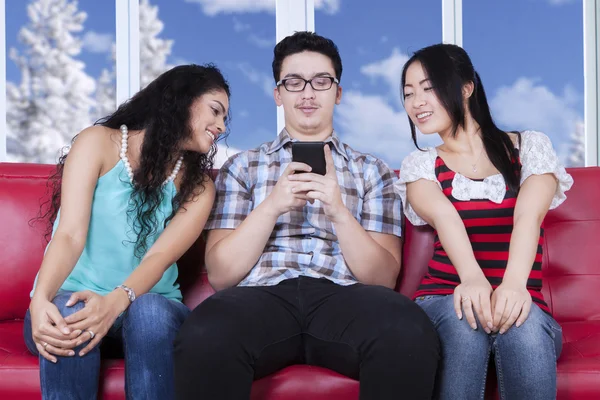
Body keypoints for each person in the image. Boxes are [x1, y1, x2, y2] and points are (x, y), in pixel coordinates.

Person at [173, 31, 439, 400]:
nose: (308, 93)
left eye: (321, 82)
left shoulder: (371, 170)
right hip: (260, 296)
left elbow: (381, 279)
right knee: (204, 335)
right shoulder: (242, 167)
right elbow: (221, 276)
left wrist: (338, 211)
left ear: (338, 93)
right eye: (294, 83)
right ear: (278, 94)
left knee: (409, 332)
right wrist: (273, 205)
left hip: (346, 297)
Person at [24, 64, 231, 400]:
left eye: (225, 118)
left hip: (148, 310)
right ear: (181, 99)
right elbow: (70, 234)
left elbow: (160, 256)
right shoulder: (97, 143)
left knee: (147, 311)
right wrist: (39, 300)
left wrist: (115, 302)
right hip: (75, 303)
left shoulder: (199, 186)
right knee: (67, 313)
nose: (221, 126)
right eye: (215, 110)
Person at [397, 43, 574, 400]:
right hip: (444, 298)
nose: (416, 102)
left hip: (519, 294)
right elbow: (446, 219)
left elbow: (529, 216)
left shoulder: (529, 148)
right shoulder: (420, 165)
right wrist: (474, 280)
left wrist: (511, 288)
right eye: (408, 93)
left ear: (466, 87)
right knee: (466, 317)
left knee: (521, 329)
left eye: (428, 87)